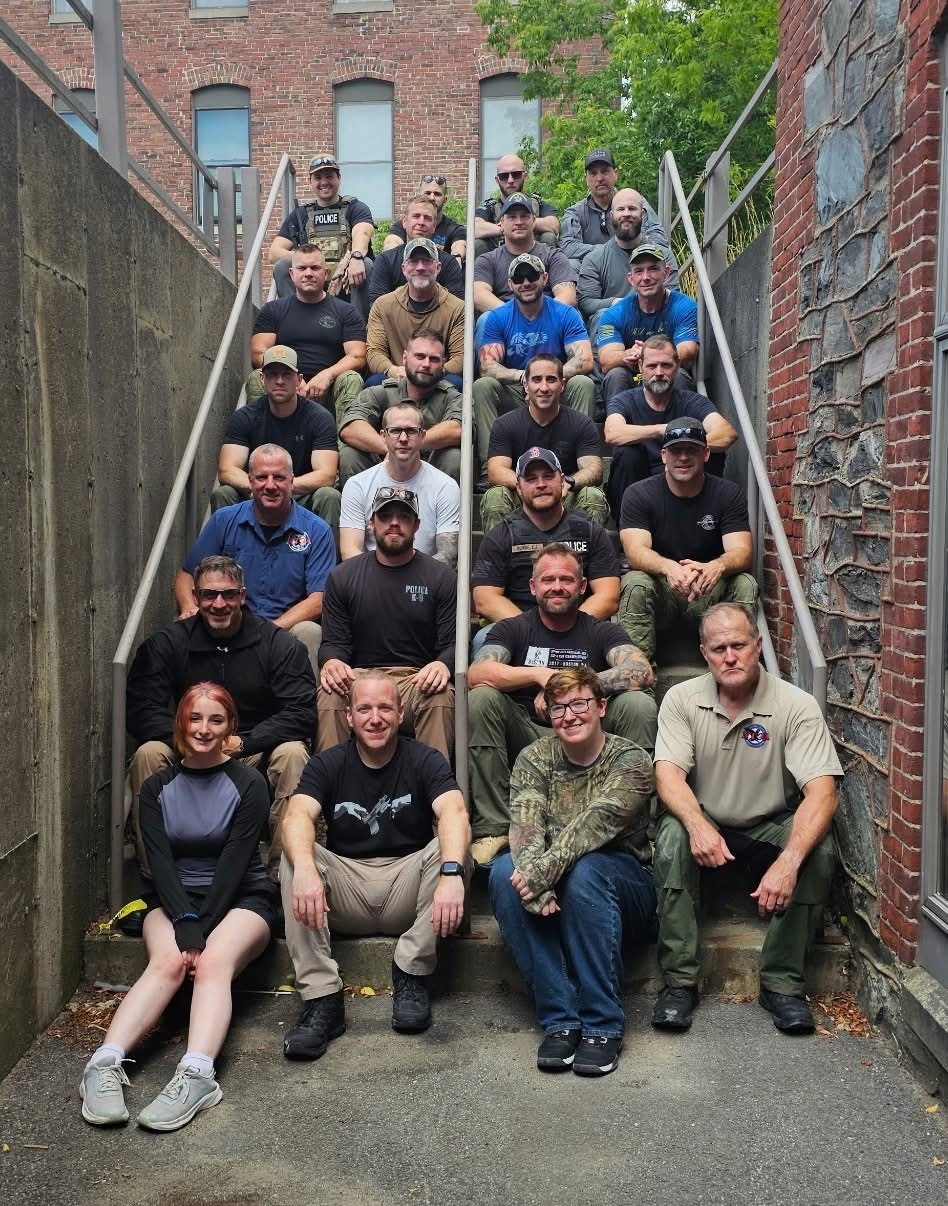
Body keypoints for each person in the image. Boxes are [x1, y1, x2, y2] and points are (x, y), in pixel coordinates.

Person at [81, 684, 280, 1130]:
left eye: (215, 720)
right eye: (194, 719)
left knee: (212, 963)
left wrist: (201, 928)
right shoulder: (156, 786)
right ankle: (104, 1064)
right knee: (167, 961)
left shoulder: (249, 783)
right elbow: (160, 864)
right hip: (172, 899)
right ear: (180, 724)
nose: (204, 729)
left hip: (241, 899)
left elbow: (233, 864)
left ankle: (197, 1075)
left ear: (230, 726)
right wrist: (185, 923)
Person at [652, 603, 842, 1035]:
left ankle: (782, 985)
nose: (730, 656)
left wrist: (789, 861)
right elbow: (668, 775)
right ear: (704, 652)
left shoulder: (796, 705)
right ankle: (679, 983)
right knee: (670, 837)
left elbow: (822, 792)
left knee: (819, 849)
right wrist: (698, 825)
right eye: (719, 648)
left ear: (758, 645)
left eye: (739, 645)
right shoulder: (681, 699)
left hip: (767, 824)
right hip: (707, 824)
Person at [280, 673, 471, 1057]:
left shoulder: (423, 758)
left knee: (453, 847)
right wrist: (304, 870)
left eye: (385, 707)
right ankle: (322, 998)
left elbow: (453, 810)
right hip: (346, 889)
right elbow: (296, 815)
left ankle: (412, 972)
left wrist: (451, 873)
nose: (375, 718)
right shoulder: (328, 763)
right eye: (364, 709)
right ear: (349, 716)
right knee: (296, 855)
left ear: (401, 713)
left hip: (407, 886)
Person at [489, 668, 656, 1076]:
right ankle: (560, 1019)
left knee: (588, 869)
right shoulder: (535, 757)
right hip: (556, 884)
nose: (570, 715)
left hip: (624, 885)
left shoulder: (631, 761)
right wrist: (535, 881)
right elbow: (525, 824)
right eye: (559, 707)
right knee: (501, 872)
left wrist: (541, 875)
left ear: (601, 707)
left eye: (580, 704)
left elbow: (593, 827)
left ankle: (602, 1024)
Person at [468, 544, 656, 866]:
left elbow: (641, 671)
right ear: (533, 587)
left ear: (582, 587)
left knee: (638, 704)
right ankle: (495, 828)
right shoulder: (513, 628)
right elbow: (477, 673)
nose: (557, 586)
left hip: (590, 738)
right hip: (529, 734)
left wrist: (567, 688)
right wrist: (539, 675)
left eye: (567, 580)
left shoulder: (602, 631)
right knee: (481, 698)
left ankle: (632, 830)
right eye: (548, 579)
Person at [127, 555, 315, 873]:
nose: (219, 604)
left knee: (294, 753)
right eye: (209, 595)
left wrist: (244, 742)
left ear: (242, 596)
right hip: (189, 747)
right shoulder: (167, 644)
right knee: (148, 752)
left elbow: (301, 712)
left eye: (228, 594)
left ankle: (282, 877)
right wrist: (192, 738)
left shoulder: (278, 645)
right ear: (196, 597)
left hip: (254, 750)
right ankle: (157, 877)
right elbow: (140, 711)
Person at [318, 487, 456, 759]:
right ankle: (329, 787)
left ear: (417, 525)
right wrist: (332, 660)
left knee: (441, 695)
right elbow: (333, 642)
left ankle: (437, 792)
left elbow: (452, 643)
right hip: (359, 677)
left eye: (404, 517)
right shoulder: (343, 576)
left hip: (415, 680)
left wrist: (443, 664)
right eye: (385, 516)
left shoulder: (440, 577)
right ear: (372, 523)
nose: (394, 523)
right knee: (329, 691)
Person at [175, 445, 336, 669]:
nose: (270, 485)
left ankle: (301, 704)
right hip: (229, 620)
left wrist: (267, 630)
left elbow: (318, 599)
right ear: (250, 481)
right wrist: (188, 607)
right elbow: (187, 575)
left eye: (279, 477)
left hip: (286, 628)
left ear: (292, 481)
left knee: (310, 632)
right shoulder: (224, 520)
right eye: (262, 477)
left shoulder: (317, 530)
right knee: (188, 627)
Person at [618, 420, 758, 663]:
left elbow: (743, 552)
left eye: (691, 450)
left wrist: (716, 567)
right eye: (675, 450)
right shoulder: (639, 494)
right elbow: (635, 551)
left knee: (745, 582)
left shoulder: (727, 493)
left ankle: (736, 669)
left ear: (705, 454)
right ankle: (637, 675)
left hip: (708, 589)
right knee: (635, 582)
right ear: (663, 455)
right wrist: (669, 568)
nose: (683, 457)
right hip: (663, 591)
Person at [472, 448, 620, 648]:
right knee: (484, 639)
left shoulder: (589, 530)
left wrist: (570, 630)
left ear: (562, 480)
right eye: (531, 479)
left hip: (578, 628)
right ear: (518, 487)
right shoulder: (501, 535)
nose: (541, 484)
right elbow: (485, 599)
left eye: (548, 476)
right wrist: (533, 631)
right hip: (521, 629)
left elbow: (608, 596)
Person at [472, 255, 595, 473]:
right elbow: (486, 366)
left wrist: (546, 378)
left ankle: (581, 464)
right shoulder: (498, 317)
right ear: (510, 284)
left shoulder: (565, 314)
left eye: (532, 276)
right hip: (517, 389)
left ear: (545, 278)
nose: (526, 282)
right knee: (482, 386)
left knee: (583, 384)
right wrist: (524, 378)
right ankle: (490, 467)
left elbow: (584, 359)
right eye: (519, 278)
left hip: (555, 388)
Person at [604, 335, 737, 521]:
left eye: (665, 365)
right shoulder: (624, 400)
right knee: (626, 456)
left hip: (685, 475)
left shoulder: (692, 401)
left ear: (677, 366)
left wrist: (682, 450)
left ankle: (704, 522)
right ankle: (629, 528)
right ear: (641, 366)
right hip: (642, 483)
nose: (658, 372)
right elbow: (612, 433)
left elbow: (726, 434)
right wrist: (666, 430)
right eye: (651, 366)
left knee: (712, 454)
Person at [214, 345, 341, 534]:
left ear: (299, 380)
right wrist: (263, 486)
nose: (279, 381)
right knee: (223, 493)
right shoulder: (245, 417)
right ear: (262, 379)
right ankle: (223, 563)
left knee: (328, 496)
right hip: (256, 494)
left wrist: (281, 486)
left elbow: (327, 475)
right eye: (272, 374)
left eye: (286, 375)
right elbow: (226, 470)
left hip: (299, 495)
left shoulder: (319, 418)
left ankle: (328, 563)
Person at [480, 354, 608, 532]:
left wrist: (567, 483)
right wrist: (531, 487)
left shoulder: (581, 424)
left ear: (562, 385)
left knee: (592, 495)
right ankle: (499, 558)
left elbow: (594, 469)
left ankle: (586, 558)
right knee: (495, 496)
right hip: (523, 494)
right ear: (526, 385)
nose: (544, 387)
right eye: (536, 380)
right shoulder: (505, 424)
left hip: (564, 494)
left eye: (551, 380)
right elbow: (495, 472)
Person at [251, 244, 367, 423]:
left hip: (330, 390)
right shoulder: (272, 310)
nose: (308, 273)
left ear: (326, 273)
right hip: (285, 386)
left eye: (315, 268)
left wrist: (327, 376)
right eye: (302, 268)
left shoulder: (346, 311)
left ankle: (345, 445)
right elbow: (258, 354)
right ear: (291, 274)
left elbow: (358, 356)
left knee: (351, 379)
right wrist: (292, 379)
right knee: (256, 378)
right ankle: (263, 445)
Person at [339, 401, 460, 565]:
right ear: (383, 436)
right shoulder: (358, 485)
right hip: (372, 581)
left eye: (411, 431)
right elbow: (350, 551)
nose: (403, 438)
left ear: (422, 436)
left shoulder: (446, 487)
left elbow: (447, 555)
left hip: (424, 582)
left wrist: (407, 581)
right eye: (395, 431)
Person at [338, 331, 463, 485]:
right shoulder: (381, 392)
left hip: (431, 484)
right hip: (382, 478)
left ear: (443, 362)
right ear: (405, 357)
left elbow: (458, 430)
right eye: (420, 356)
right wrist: (392, 448)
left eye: (434, 359)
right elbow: (350, 427)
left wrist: (408, 446)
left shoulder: (453, 397)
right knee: (350, 455)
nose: (426, 364)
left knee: (454, 457)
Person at [267, 154, 374, 307]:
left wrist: (356, 257)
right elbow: (274, 253)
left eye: (329, 176)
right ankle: (295, 320)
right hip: (312, 278)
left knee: (366, 264)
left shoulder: (355, 207)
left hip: (345, 280)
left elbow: (363, 233)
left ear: (339, 178)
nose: (324, 182)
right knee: (282, 266)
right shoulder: (300, 214)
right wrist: (308, 259)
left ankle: (357, 328)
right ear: (310, 182)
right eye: (318, 177)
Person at [597, 244, 699, 402]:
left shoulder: (684, 307)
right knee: (615, 375)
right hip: (631, 378)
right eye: (639, 271)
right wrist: (628, 354)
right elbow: (605, 360)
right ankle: (616, 425)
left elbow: (688, 351)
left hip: (665, 372)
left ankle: (679, 426)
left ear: (666, 272)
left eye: (653, 269)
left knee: (678, 374)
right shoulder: (615, 313)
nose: (646, 277)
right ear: (630, 278)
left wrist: (647, 354)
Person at [577, 189, 679, 336]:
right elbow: (586, 303)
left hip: (655, 328)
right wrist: (617, 303)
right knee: (601, 316)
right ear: (612, 215)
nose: (626, 214)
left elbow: (673, 295)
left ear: (643, 215)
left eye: (632, 208)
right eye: (620, 209)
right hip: (613, 329)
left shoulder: (663, 255)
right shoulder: (594, 259)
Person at [366, 238, 464, 388]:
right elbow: (374, 352)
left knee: (456, 383)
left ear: (438, 267)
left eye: (427, 261)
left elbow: (462, 356)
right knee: (373, 383)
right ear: (404, 268)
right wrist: (393, 370)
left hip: (437, 379)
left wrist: (431, 371)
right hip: (398, 378)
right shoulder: (383, 305)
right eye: (413, 261)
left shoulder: (457, 308)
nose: (420, 267)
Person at [559, 147, 673, 270]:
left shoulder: (635, 202)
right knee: (570, 264)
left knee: (665, 257)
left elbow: (659, 239)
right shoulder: (575, 212)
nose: (599, 178)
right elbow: (568, 247)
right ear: (586, 179)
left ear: (616, 174)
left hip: (635, 267)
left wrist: (631, 251)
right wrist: (611, 252)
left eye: (605, 171)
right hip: (596, 270)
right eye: (593, 173)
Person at [473, 194, 577, 317]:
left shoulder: (553, 256)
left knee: (572, 315)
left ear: (533, 221)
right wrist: (516, 317)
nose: (519, 222)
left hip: (548, 322)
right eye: (512, 217)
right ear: (501, 223)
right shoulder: (488, 260)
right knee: (485, 319)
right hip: (504, 323)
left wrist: (540, 318)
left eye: (524, 216)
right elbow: (478, 295)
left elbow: (568, 296)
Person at [371, 195, 464, 306]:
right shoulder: (386, 260)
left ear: (434, 226)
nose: (421, 222)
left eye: (427, 218)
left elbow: (457, 307)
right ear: (404, 222)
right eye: (416, 216)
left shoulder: (448, 263)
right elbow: (376, 305)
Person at [473, 154, 559, 257]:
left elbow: (553, 225)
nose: (510, 180)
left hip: (535, 262)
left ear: (525, 176)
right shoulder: (489, 208)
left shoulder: (538, 204)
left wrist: (521, 226)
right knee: (478, 244)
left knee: (548, 237)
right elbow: (473, 228)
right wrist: (505, 228)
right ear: (497, 180)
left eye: (516, 174)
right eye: (504, 176)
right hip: (497, 265)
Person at [383, 183, 465, 260]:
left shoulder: (455, 229)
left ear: (445, 199)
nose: (432, 198)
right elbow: (392, 242)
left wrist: (456, 257)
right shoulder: (404, 224)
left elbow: (459, 246)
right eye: (427, 193)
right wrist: (392, 260)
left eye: (437, 194)